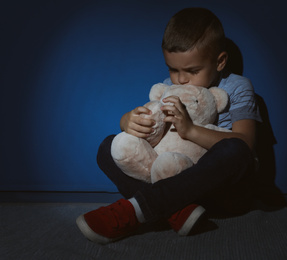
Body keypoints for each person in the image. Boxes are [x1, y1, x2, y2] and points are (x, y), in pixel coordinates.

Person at [76, 7, 263, 244]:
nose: (181, 79)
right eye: (173, 69)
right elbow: (150, 132)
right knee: (108, 146)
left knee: (235, 150)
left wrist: (190, 130)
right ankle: (176, 211)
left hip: (223, 193)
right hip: (175, 186)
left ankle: (136, 211)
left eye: (192, 71)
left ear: (220, 61)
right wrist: (128, 121)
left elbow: (246, 143)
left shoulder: (237, 86)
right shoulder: (168, 86)